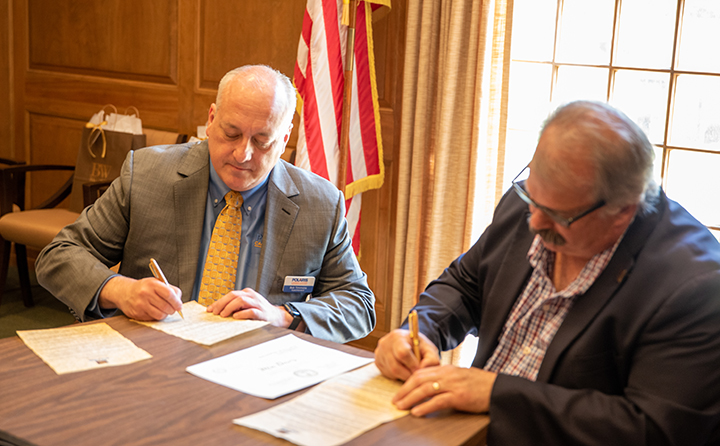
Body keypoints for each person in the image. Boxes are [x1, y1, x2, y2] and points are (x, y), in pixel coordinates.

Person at [374, 101, 720, 445]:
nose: (535, 223)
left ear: (623, 211)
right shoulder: (530, 204)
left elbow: (653, 430)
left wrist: (496, 394)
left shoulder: (695, 286)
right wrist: (420, 332)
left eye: (558, 216)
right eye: (532, 197)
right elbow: (466, 285)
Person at [36, 65, 375, 344]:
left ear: (285, 138)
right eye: (231, 133)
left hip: (256, 366)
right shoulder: (148, 174)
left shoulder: (320, 203)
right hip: (152, 358)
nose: (243, 154)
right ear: (211, 119)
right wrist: (121, 291)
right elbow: (59, 255)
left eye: (262, 141)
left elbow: (359, 304)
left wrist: (284, 315)